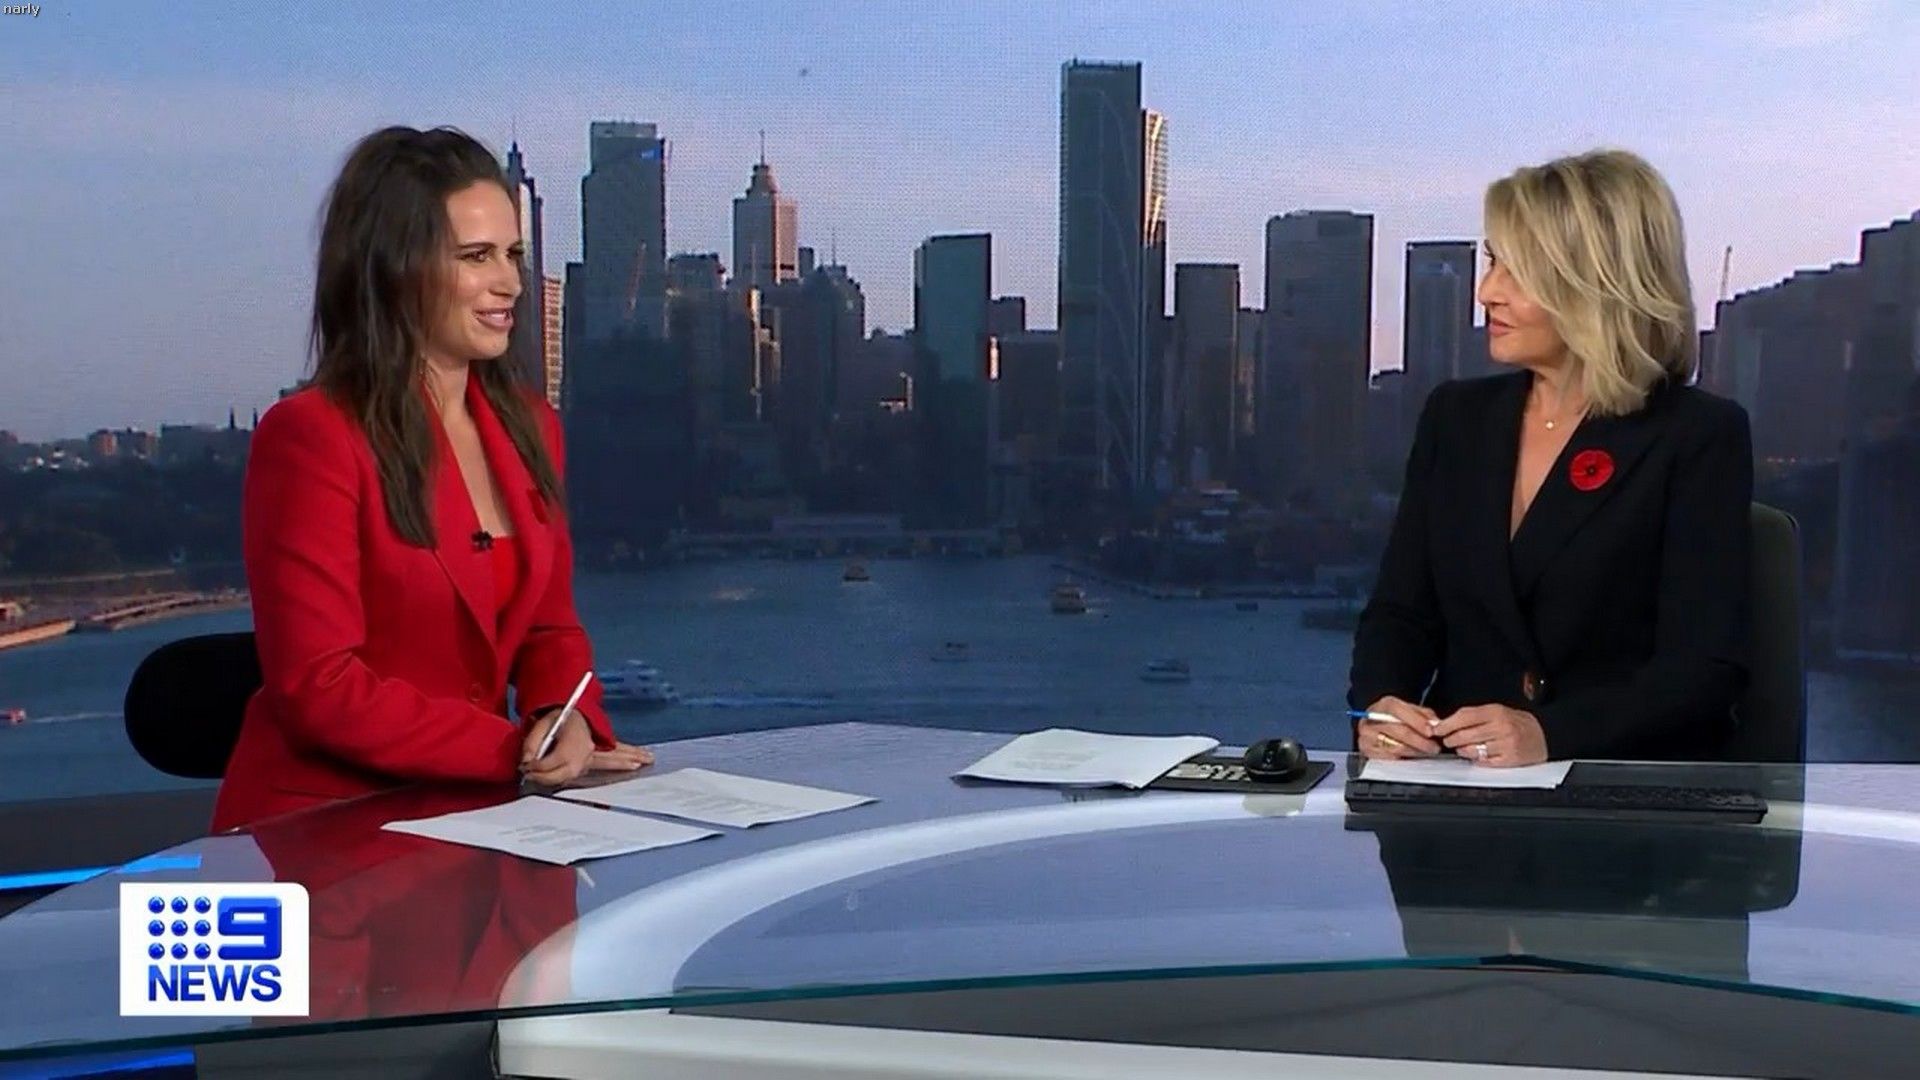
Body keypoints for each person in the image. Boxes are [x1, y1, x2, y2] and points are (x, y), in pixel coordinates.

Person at [212, 127, 652, 832]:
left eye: (512, 254)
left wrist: (563, 716)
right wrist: (512, 751)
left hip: (476, 818)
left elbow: (549, 626)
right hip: (321, 828)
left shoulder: (531, 426)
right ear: (396, 270)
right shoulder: (313, 436)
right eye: (476, 257)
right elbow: (318, 687)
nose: (510, 283)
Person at [1349, 148, 1752, 766]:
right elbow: (1401, 613)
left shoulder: (1697, 436)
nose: (1486, 292)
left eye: (1519, 271)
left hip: (1619, 790)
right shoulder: (1456, 419)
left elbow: (1702, 670)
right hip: (1458, 784)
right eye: (1493, 262)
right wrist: (1381, 708)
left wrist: (1550, 734)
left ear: (1599, 283)